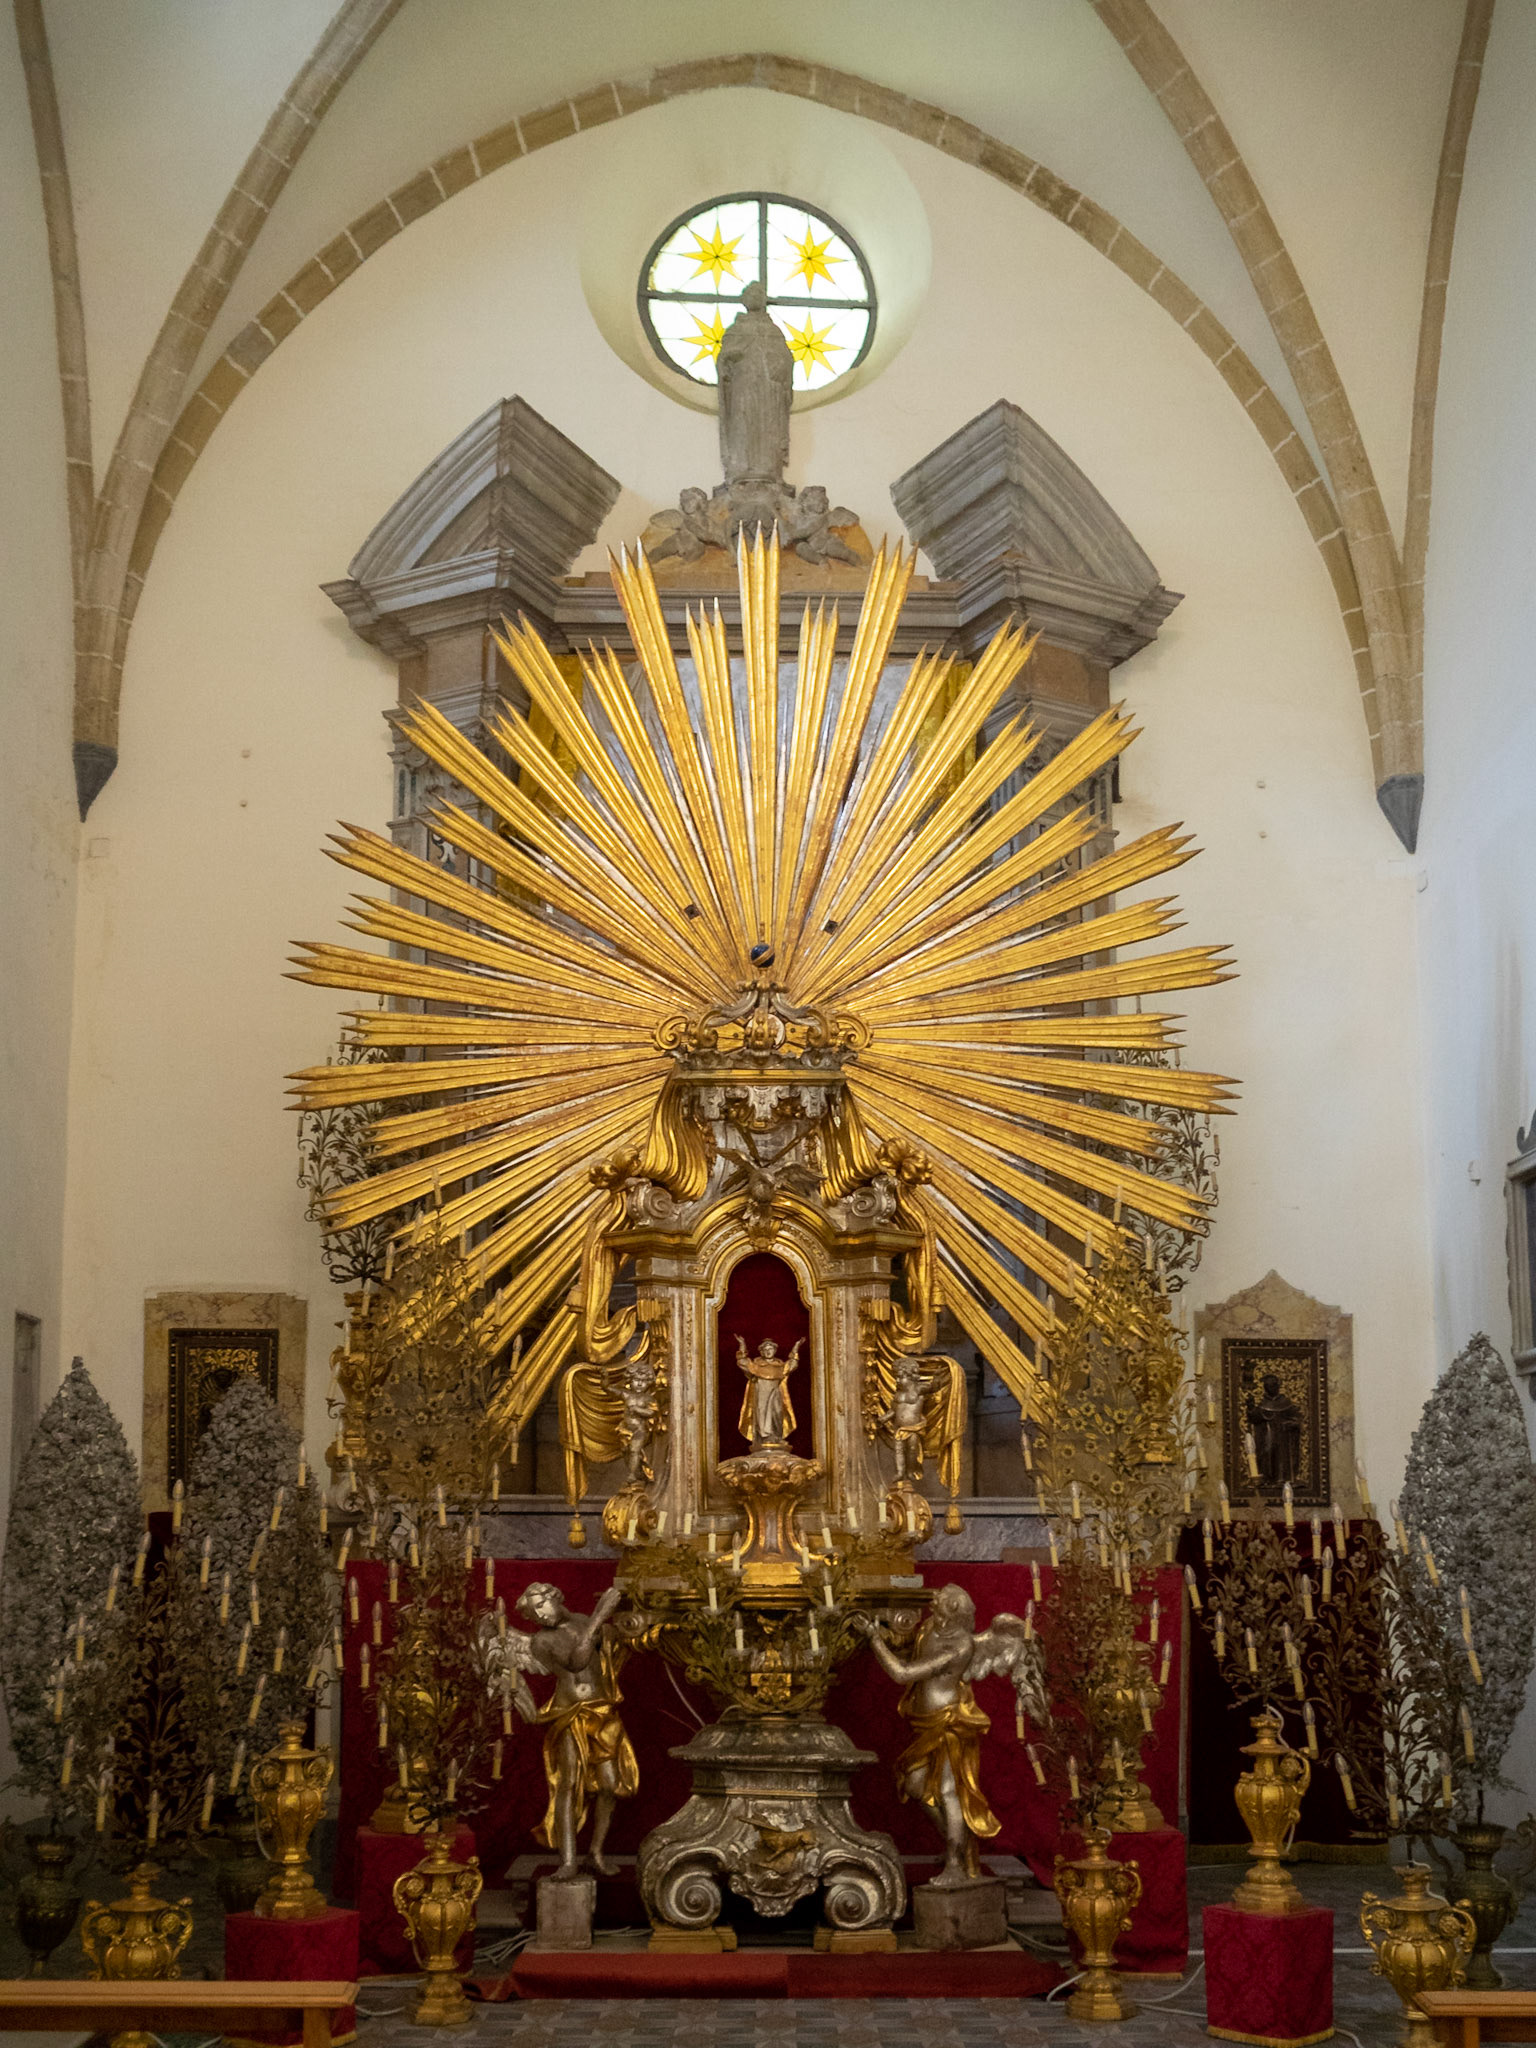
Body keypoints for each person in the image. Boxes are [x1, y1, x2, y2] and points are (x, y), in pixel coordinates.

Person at [854, 1584, 1001, 1886]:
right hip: (924, 1722)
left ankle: (955, 1865)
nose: (933, 1604)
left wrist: (874, 1639)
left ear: (953, 1611)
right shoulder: (933, 1627)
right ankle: (960, 1846)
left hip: (949, 1723)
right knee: (916, 1785)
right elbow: (913, 1652)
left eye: (941, 1603)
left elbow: (903, 1674)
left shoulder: (960, 1646)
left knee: (948, 1792)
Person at [512, 1582, 638, 1880]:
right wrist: (601, 1614)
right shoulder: (541, 1642)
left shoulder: (581, 1620)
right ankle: (568, 1860)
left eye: (541, 1605)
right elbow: (576, 1660)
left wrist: (617, 1622)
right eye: (533, 1614)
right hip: (571, 1715)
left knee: (609, 1785)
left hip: (602, 1711)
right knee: (568, 1785)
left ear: (556, 1596)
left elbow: (608, 1646)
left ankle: (595, 1852)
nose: (540, 1616)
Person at [735, 1334, 802, 1450]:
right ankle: (763, 1439)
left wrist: (796, 1347)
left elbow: (792, 1364)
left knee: (776, 1414)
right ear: (761, 1352)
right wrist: (742, 1345)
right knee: (762, 1416)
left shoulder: (780, 1366)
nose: (768, 1351)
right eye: (765, 1349)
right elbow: (742, 1362)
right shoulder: (756, 1365)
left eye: (770, 1349)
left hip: (776, 1394)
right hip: (761, 1395)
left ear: (775, 1350)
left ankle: (776, 1437)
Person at [1247, 1371, 1304, 1488]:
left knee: (1282, 1459)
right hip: (1268, 1437)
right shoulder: (1263, 1404)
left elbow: (1297, 1419)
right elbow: (1255, 1418)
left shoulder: (1285, 1403)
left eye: (1273, 1385)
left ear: (1278, 1386)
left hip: (1283, 1438)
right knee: (1268, 1457)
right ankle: (1268, 1479)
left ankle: (1283, 1480)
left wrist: (1291, 1424)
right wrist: (1250, 1407)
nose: (1270, 1388)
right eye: (1267, 1386)